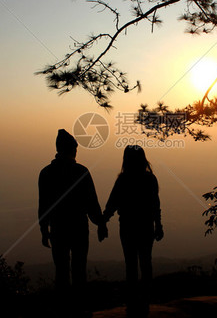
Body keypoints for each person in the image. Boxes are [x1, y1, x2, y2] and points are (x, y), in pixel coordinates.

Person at [38, 129, 108, 295]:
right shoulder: (81, 171)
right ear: (71, 149)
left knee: (61, 270)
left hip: (58, 227)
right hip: (79, 227)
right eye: (75, 149)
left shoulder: (46, 173)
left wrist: (44, 229)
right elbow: (92, 201)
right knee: (79, 269)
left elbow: (44, 205)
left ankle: (63, 308)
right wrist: (100, 223)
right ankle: (79, 306)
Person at [103, 145, 163, 317]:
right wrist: (158, 225)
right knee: (146, 262)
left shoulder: (123, 180)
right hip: (145, 226)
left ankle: (133, 302)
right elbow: (155, 205)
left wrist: (103, 222)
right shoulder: (150, 179)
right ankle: (145, 300)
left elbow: (112, 204)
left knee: (131, 264)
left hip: (128, 226)